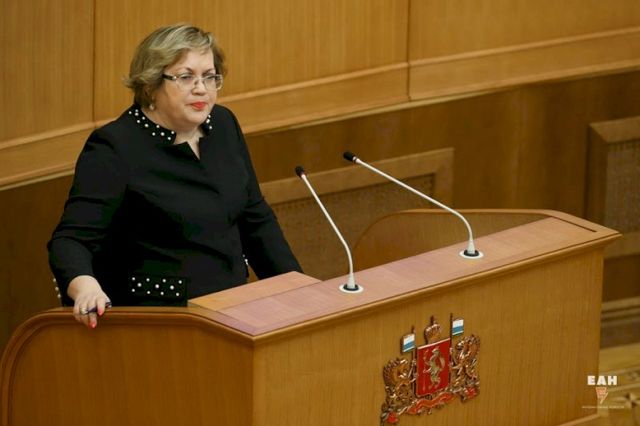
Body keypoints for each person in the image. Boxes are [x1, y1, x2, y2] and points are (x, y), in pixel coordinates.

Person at [48, 24, 301, 328]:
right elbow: (71, 240)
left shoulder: (223, 125)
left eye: (210, 76)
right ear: (150, 84)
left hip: (233, 308)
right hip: (162, 319)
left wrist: (298, 289)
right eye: (186, 77)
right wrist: (86, 286)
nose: (201, 88)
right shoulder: (116, 147)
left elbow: (255, 218)